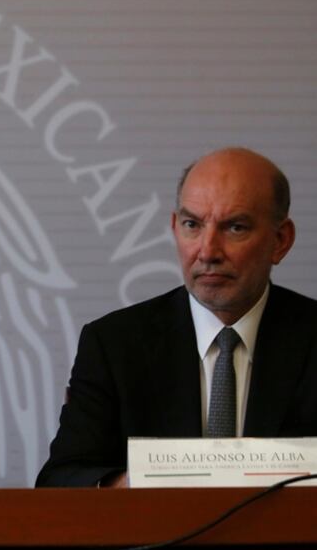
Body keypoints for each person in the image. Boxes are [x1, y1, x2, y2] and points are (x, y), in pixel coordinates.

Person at [37, 147, 317, 487]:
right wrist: (126, 487)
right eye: (192, 225)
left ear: (280, 241)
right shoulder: (114, 344)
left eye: (236, 227)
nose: (208, 251)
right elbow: (61, 480)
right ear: (174, 227)